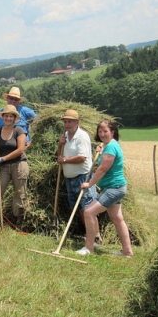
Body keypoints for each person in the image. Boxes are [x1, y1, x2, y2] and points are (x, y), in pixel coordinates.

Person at [76, 119, 133, 257]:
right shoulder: (109, 146)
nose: (102, 134)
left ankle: (89, 247)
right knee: (117, 218)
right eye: (100, 131)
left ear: (112, 132)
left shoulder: (111, 147)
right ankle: (127, 251)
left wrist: (89, 184)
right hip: (116, 187)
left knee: (89, 212)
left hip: (114, 189)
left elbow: (103, 169)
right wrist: (102, 151)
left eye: (105, 131)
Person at [57, 109, 102, 246]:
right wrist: (60, 144)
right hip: (69, 178)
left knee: (88, 208)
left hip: (83, 177)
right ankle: (88, 234)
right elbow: (59, 156)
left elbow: (82, 158)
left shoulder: (82, 136)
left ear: (77, 122)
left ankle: (97, 238)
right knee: (80, 209)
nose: (67, 124)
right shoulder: (65, 135)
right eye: (65, 121)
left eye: (70, 121)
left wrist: (65, 160)